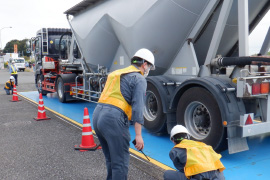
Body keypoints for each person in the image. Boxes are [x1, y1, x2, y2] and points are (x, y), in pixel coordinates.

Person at [93, 48, 155, 180]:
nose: (148, 69)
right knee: (120, 164)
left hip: (97, 115)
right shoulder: (139, 78)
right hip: (113, 119)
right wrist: (138, 135)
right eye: (149, 66)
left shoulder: (117, 73)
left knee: (111, 160)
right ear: (144, 64)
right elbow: (138, 108)